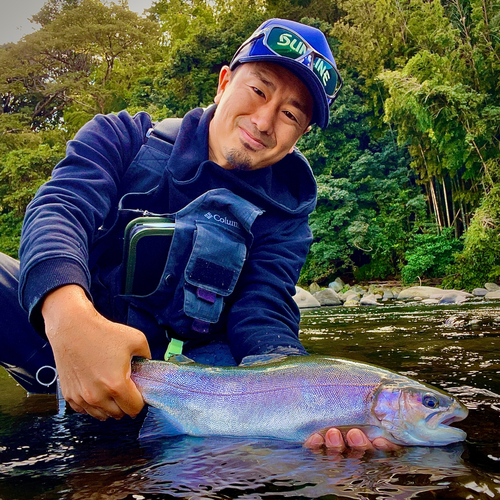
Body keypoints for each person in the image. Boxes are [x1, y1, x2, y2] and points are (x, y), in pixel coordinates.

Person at [0, 18, 397, 453]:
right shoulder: (123, 137)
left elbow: (263, 314)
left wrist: (309, 398)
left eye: (290, 114)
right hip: (58, 340)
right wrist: (68, 318)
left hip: (184, 386)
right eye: (259, 90)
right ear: (224, 83)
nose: (265, 121)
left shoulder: (287, 218)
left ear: (300, 135)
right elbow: (59, 209)